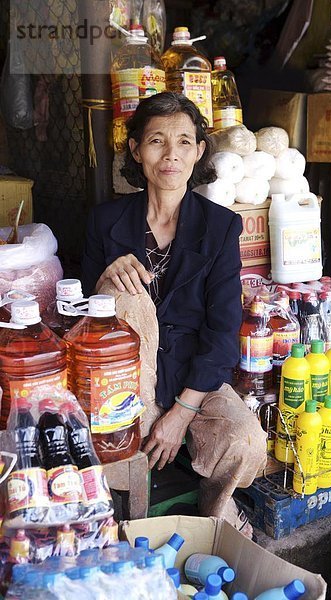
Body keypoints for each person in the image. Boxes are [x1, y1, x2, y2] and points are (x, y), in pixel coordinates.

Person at [82, 92, 267, 537]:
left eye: (185, 142)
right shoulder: (104, 222)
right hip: (125, 383)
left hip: (192, 379)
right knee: (117, 294)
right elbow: (80, 321)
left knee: (244, 441)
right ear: (135, 150)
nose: (171, 155)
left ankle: (214, 515)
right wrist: (104, 280)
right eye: (157, 141)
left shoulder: (221, 226)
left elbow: (223, 333)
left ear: (200, 151)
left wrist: (182, 412)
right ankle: (130, 527)